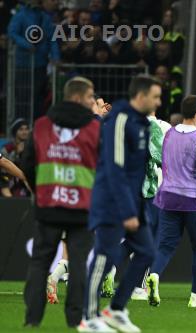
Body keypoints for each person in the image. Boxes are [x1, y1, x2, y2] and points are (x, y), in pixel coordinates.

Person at [79, 75, 161, 333]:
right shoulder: (120, 119)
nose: (159, 102)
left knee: (147, 252)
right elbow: (114, 168)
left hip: (134, 201)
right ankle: (88, 318)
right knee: (105, 255)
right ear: (141, 96)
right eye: (156, 97)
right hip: (111, 202)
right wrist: (127, 210)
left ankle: (115, 309)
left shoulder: (143, 125)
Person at [21, 77, 100, 328]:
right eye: (90, 97)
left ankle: (32, 319)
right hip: (83, 207)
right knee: (78, 264)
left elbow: (27, 164)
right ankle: (75, 319)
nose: (92, 102)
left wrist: (40, 191)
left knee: (40, 262)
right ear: (77, 97)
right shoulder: (96, 129)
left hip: (48, 205)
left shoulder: (42, 125)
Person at [147, 95, 196, 308]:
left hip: (168, 197)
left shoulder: (168, 134)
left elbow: (162, 159)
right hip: (194, 199)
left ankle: (155, 275)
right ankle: (195, 297)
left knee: (165, 247)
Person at [101, 109, 171, 301]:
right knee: (152, 242)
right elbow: (161, 157)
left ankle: (110, 268)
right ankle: (140, 287)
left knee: (133, 240)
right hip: (151, 193)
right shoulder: (160, 127)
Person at [1, 118, 31, 197]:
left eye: (26, 129)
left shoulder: (32, 148)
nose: (24, 132)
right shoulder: (8, 148)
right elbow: (4, 166)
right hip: (8, 179)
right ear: (15, 132)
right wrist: (17, 154)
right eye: (21, 129)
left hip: (26, 180)